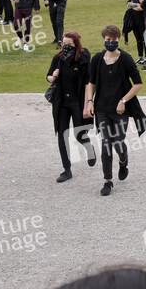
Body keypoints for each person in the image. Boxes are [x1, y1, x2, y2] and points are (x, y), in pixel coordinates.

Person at [83, 25, 146, 197]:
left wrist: (123, 101)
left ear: (118, 39)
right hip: (102, 108)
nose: (111, 42)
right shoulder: (97, 59)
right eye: (108, 39)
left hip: (120, 110)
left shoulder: (125, 58)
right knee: (106, 143)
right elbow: (91, 82)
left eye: (114, 39)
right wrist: (90, 101)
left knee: (118, 141)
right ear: (103, 39)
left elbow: (138, 84)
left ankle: (123, 161)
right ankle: (108, 180)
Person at [47, 31, 95, 183]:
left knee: (79, 133)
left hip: (77, 101)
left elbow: (88, 83)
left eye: (69, 44)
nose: (66, 47)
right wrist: (53, 77)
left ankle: (89, 148)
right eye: (64, 44)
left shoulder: (83, 59)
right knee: (62, 135)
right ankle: (66, 169)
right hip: (61, 102)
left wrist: (87, 104)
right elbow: (48, 77)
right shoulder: (58, 58)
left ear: (76, 44)